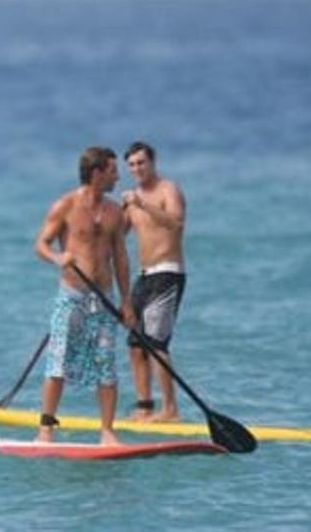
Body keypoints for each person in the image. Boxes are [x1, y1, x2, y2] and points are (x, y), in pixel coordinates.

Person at [33, 146, 133, 445]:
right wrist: (57, 258)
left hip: (103, 298)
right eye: (113, 170)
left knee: (106, 362)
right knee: (58, 361)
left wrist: (126, 302)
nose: (118, 176)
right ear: (97, 173)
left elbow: (121, 258)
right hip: (72, 295)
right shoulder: (64, 206)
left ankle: (107, 431)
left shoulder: (115, 211)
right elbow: (41, 244)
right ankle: (46, 429)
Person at [121, 141, 186, 422]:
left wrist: (143, 204)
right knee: (136, 345)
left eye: (141, 162)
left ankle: (170, 410)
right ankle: (144, 406)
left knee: (157, 344)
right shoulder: (130, 200)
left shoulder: (167, 190)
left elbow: (175, 223)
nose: (137, 168)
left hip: (168, 272)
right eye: (132, 165)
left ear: (153, 162)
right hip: (144, 276)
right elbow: (117, 234)